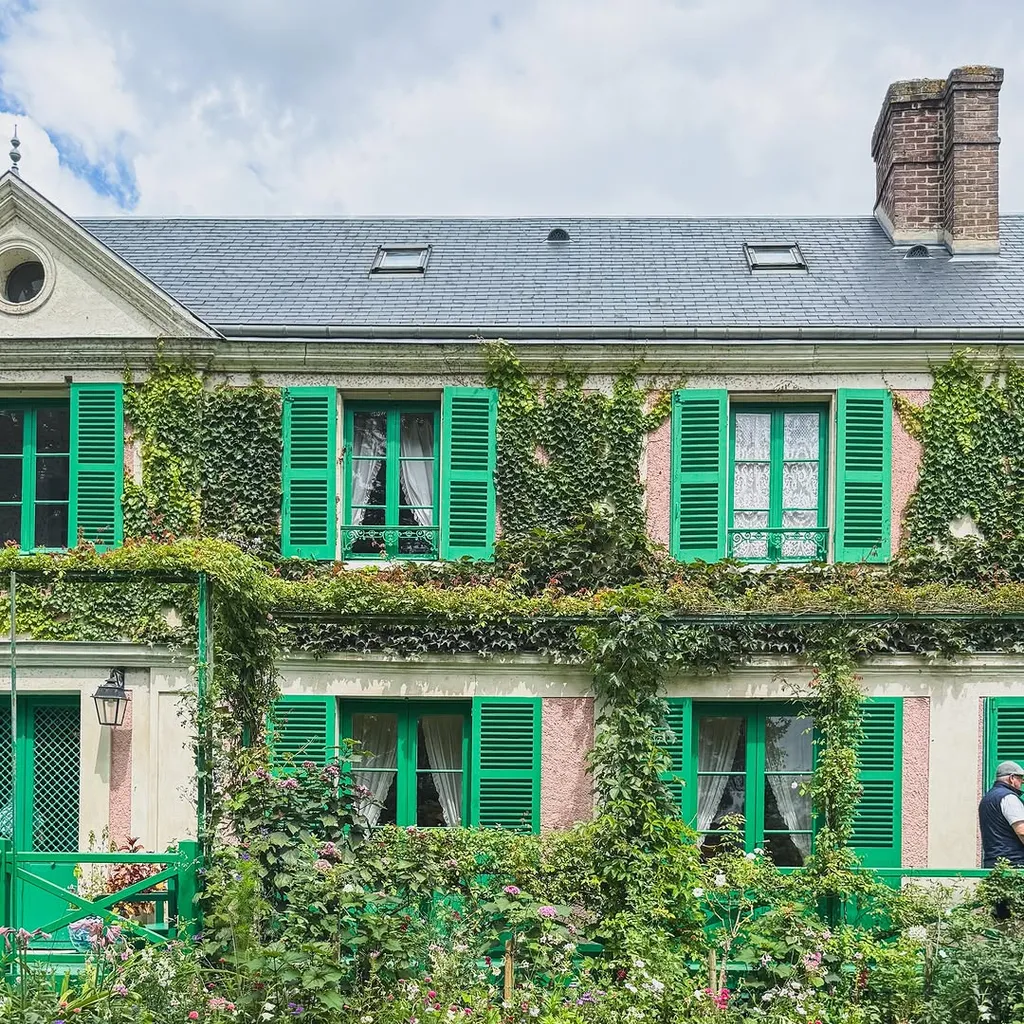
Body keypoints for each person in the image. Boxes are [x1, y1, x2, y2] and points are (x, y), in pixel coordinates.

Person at [979, 760, 1024, 918]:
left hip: (994, 866)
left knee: (1003, 919)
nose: (1021, 783)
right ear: (1012, 778)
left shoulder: (987, 799)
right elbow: (1022, 831)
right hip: (1013, 866)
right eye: (1020, 779)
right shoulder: (1009, 799)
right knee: (1017, 917)